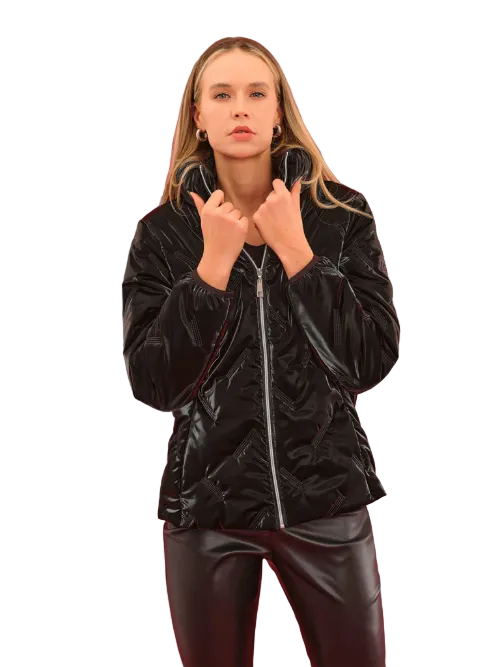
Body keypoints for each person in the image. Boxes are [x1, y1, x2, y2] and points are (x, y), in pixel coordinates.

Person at [122, 36, 400, 667]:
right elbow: (153, 381)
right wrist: (212, 268)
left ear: (279, 111)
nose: (240, 107)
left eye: (256, 92)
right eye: (222, 94)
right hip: (206, 510)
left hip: (327, 499)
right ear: (199, 115)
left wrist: (298, 252)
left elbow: (370, 359)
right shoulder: (163, 234)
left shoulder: (340, 216)